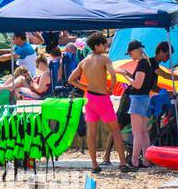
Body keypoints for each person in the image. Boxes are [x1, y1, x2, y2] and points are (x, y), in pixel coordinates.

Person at [68, 33, 132, 173]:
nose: (106, 46)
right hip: (102, 98)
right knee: (115, 130)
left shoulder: (84, 61)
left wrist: (85, 87)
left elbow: (71, 79)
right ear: (97, 45)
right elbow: (113, 75)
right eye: (104, 44)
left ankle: (94, 165)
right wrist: (110, 88)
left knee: (91, 133)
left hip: (89, 98)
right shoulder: (104, 58)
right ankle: (122, 162)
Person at [123, 39, 159, 169]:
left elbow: (137, 84)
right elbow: (141, 82)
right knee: (144, 132)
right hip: (145, 99)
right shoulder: (147, 63)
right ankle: (146, 160)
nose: (130, 56)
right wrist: (127, 74)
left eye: (130, 53)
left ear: (134, 51)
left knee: (137, 133)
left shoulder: (142, 64)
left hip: (137, 100)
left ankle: (134, 161)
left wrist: (124, 76)